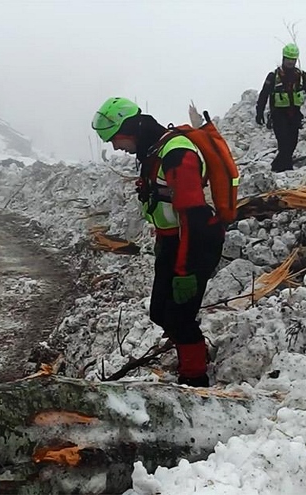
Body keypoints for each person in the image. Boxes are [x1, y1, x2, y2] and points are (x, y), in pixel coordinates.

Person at [91, 97, 225, 387]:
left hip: (195, 243)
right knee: (160, 312)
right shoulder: (155, 150)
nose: (115, 147)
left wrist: (185, 270)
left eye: (116, 139)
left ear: (130, 128)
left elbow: (195, 218)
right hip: (172, 241)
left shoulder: (177, 155)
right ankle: (193, 352)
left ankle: (195, 378)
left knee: (179, 316)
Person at [255, 43, 306, 172]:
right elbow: (264, 94)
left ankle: (276, 167)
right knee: (284, 143)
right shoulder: (273, 77)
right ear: (283, 58)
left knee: (292, 143)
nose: (290, 63)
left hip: (294, 116)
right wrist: (259, 112)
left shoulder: (302, 77)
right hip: (278, 115)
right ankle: (286, 170)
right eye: (288, 59)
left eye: (293, 60)